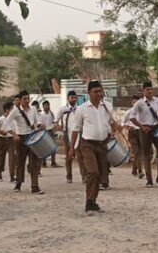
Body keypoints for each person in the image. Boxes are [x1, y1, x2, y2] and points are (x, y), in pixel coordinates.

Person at [72, 80, 119, 212]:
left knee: (100, 174)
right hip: (88, 145)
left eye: (100, 91)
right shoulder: (82, 109)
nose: (99, 94)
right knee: (92, 171)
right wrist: (71, 149)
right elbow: (75, 130)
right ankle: (89, 201)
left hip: (102, 144)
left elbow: (111, 123)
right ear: (89, 93)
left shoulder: (107, 107)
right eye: (96, 92)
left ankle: (93, 201)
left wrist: (117, 127)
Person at [130, 81, 158, 187]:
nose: (150, 91)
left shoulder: (157, 101)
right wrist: (142, 127)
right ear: (143, 91)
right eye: (147, 89)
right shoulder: (139, 103)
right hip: (145, 130)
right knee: (146, 155)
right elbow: (132, 117)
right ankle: (149, 179)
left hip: (157, 128)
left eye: (151, 89)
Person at [10, 91, 44, 194]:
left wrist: (39, 125)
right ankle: (18, 184)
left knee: (34, 162)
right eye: (24, 99)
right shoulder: (15, 111)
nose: (27, 100)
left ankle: (35, 186)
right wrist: (14, 134)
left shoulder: (33, 109)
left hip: (32, 136)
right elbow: (6, 123)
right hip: (21, 138)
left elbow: (37, 120)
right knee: (20, 162)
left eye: (28, 98)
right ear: (20, 100)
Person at [57, 91, 83, 183]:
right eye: (72, 97)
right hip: (67, 134)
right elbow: (56, 120)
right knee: (69, 156)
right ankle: (69, 176)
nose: (74, 99)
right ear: (68, 98)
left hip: (78, 134)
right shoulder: (63, 109)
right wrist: (58, 126)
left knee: (80, 156)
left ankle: (84, 176)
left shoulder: (79, 109)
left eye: (75, 98)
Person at [0, 101, 15, 182]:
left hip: (11, 140)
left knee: (12, 158)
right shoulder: (0, 119)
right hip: (1, 140)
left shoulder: (14, 119)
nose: (13, 111)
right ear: (7, 110)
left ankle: (12, 176)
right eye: (12, 109)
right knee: (1, 158)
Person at [124, 106, 142, 179]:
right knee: (136, 151)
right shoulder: (128, 112)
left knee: (139, 152)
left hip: (141, 132)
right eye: (134, 102)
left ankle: (134, 170)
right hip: (132, 133)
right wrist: (127, 127)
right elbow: (123, 122)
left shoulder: (142, 112)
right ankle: (140, 171)